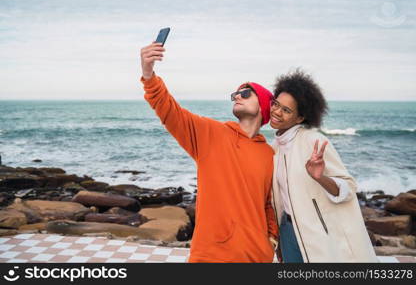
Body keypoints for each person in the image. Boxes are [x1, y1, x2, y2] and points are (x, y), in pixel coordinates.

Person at [139, 42, 278, 262]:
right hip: (211, 255)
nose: (237, 96)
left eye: (245, 93)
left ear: (262, 105)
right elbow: (170, 111)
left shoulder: (270, 155)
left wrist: (271, 240)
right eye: (235, 94)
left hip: (256, 257)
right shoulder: (211, 134)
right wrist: (148, 74)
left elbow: (270, 203)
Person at [269, 69, 378, 262]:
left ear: (300, 118)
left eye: (286, 110)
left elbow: (348, 188)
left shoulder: (313, 141)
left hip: (317, 231)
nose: (277, 112)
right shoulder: (276, 146)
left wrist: (320, 177)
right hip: (287, 230)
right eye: (276, 104)